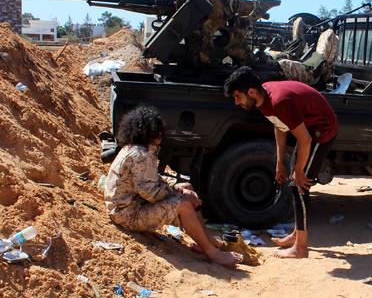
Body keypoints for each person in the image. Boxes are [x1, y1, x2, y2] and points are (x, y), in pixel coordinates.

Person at [103, 106, 243, 267]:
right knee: (183, 204)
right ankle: (212, 253)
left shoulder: (138, 149)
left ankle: (206, 240)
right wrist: (181, 195)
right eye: (158, 132)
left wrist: (179, 187)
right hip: (128, 214)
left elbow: (152, 178)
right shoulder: (139, 155)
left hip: (133, 205)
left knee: (187, 187)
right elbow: (152, 193)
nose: (161, 136)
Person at [224, 67, 338, 258]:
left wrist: (300, 171)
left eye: (238, 96)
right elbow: (280, 125)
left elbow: (305, 140)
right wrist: (280, 162)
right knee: (295, 182)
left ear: (251, 92)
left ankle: (300, 248)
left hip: (322, 131)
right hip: (308, 131)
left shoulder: (278, 101)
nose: (237, 102)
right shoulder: (264, 98)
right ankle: (296, 234)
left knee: (299, 186)